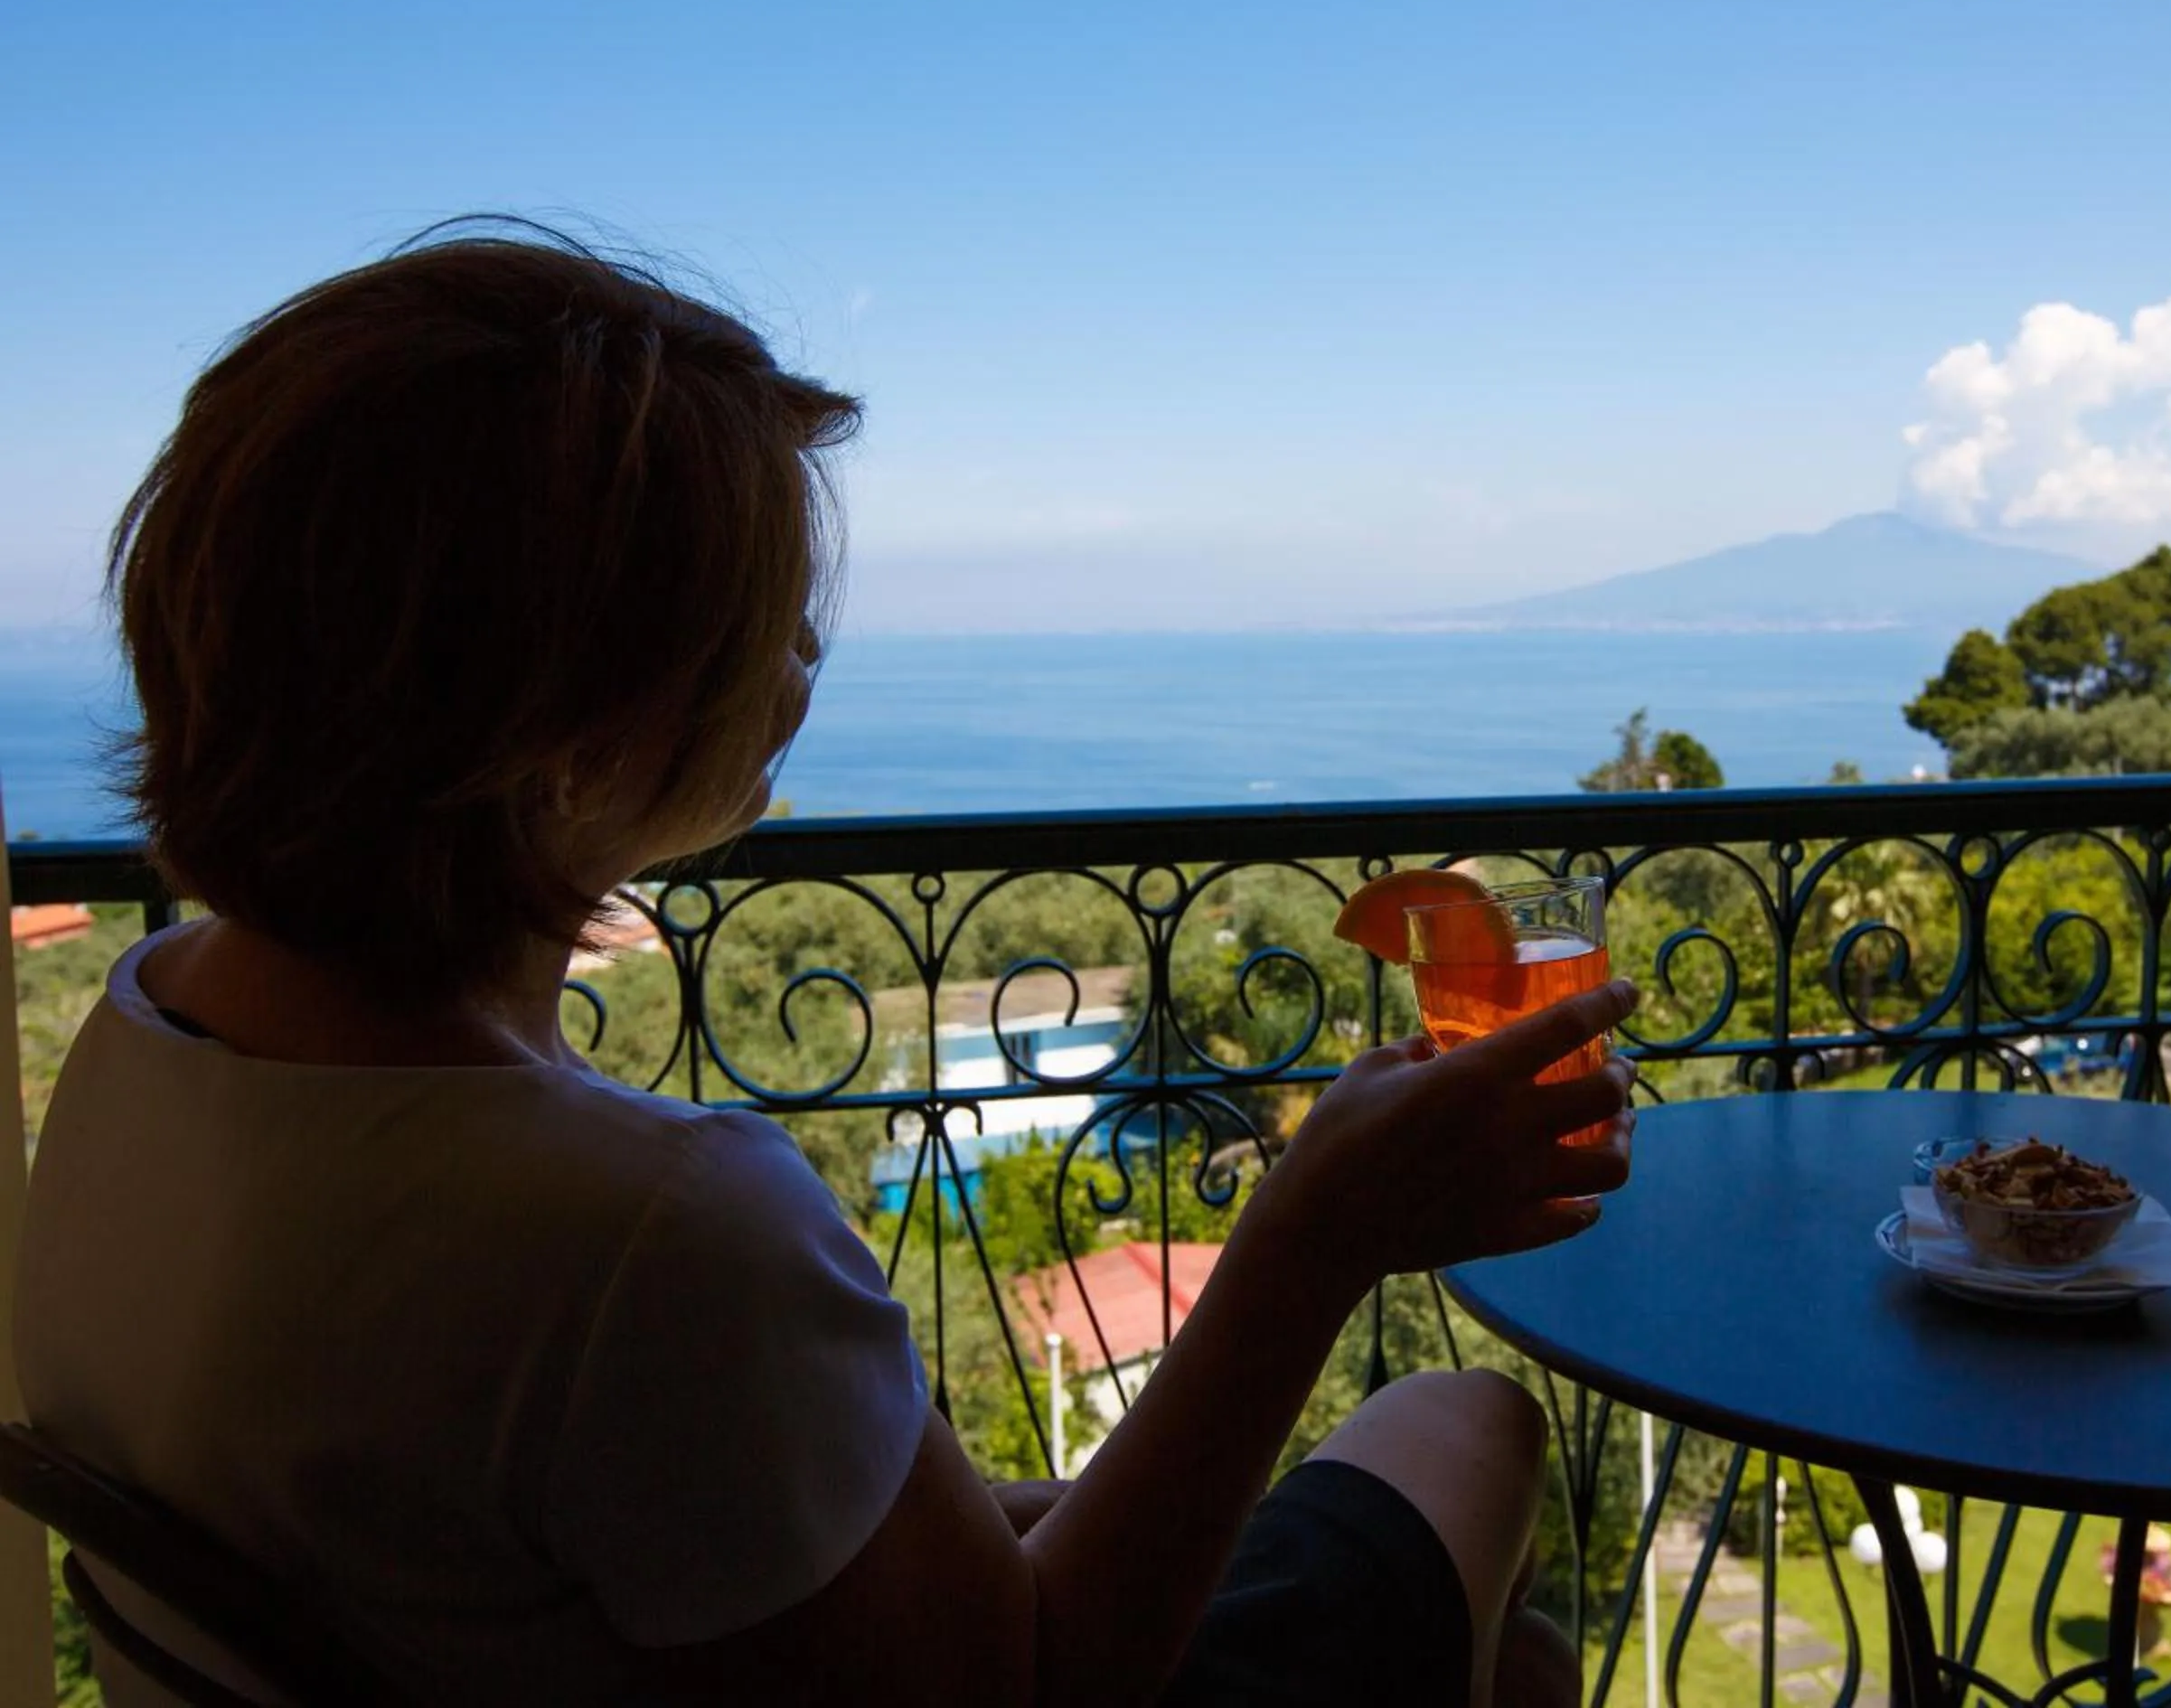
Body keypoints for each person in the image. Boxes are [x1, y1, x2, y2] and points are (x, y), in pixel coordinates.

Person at [14, 225, 1638, 1706]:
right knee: (1467, 1423)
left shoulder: (145, 1039)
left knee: (1511, 1663)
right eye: (758, 626)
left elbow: (711, 1533)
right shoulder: (645, 1229)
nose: (801, 662)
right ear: (564, 739)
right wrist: (1312, 1239)